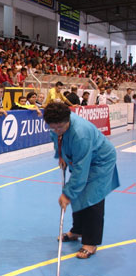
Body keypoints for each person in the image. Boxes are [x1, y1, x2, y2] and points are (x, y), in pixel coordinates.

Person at [44, 103, 119, 259]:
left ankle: (91, 243)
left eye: (60, 127)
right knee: (78, 196)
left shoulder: (80, 134)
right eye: (53, 128)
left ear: (68, 120)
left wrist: (67, 194)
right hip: (84, 159)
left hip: (100, 161)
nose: (57, 131)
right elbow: (57, 139)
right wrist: (61, 155)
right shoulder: (56, 126)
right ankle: (77, 230)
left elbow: (81, 170)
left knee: (92, 198)